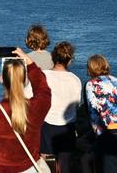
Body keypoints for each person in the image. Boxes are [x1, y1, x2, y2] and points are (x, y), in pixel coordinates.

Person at [0, 47, 51, 173]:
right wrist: (29, 62)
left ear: (1, 79)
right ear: (24, 80)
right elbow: (43, 89)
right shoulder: (36, 108)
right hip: (29, 168)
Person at [40, 42, 82, 173]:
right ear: (69, 60)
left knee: (43, 162)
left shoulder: (43, 76)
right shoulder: (75, 80)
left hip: (46, 123)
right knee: (64, 164)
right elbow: (76, 105)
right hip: (67, 125)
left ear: (53, 57)